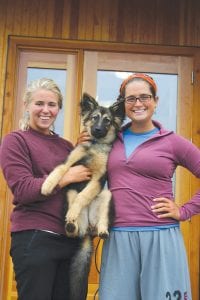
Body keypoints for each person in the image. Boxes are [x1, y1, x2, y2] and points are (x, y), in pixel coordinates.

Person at [98, 73, 200, 300]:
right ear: (123, 104)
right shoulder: (110, 140)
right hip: (119, 237)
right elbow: (90, 176)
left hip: (161, 236)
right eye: (131, 99)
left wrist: (184, 211)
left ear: (155, 101)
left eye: (144, 97)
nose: (138, 104)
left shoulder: (172, 141)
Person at [0, 78, 92, 300]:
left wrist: (85, 151)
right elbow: (22, 188)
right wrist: (65, 176)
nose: (45, 110)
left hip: (71, 242)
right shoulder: (16, 141)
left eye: (52, 105)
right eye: (39, 103)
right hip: (35, 238)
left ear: (58, 109)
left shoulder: (66, 147)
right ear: (26, 106)